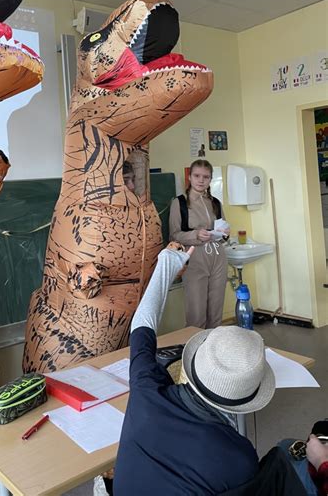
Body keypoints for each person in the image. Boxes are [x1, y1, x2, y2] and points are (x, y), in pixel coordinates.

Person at [113, 243, 276, 495]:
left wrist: (168, 262)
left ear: (193, 364)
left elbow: (142, 326)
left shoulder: (146, 392)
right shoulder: (240, 459)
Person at [169, 159, 229, 328]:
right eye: (197, 175)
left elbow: (223, 228)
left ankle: (212, 351)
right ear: (190, 176)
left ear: (210, 179)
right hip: (194, 257)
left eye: (206, 177)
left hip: (218, 256)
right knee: (196, 313)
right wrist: (195, 234)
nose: (201, 180)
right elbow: (174, 235)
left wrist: (225, 234)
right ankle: (195, 351)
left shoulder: (216, 203)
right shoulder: (179, 203)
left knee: (216, 311)